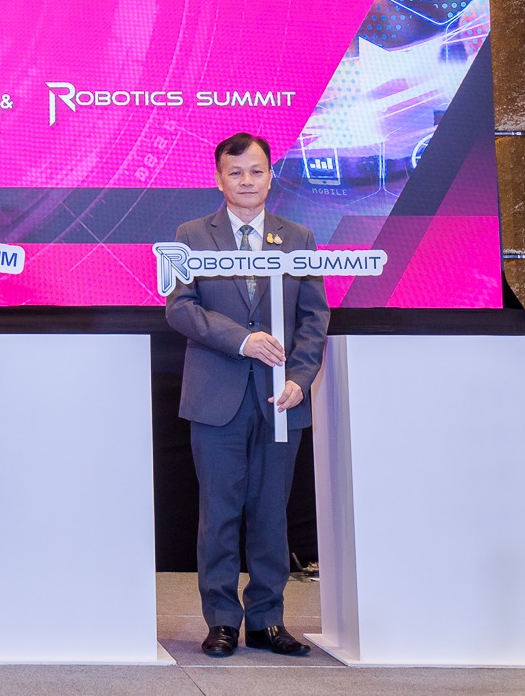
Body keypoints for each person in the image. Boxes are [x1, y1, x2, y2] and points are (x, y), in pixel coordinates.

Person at [164, 131, 329, 659]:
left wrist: (300, 378)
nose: (246, 181)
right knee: (219, 514)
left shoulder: (298, 237)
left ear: (270, 176)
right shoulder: (192, 236)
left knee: (271, 515)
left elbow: (314, 318)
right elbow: (180, 307)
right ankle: (221, 621)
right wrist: (242, 340)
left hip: (282, 400)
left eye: (256, 171)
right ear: (219, 179)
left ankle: (266, 620)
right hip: (216, 398)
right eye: (235, 173)